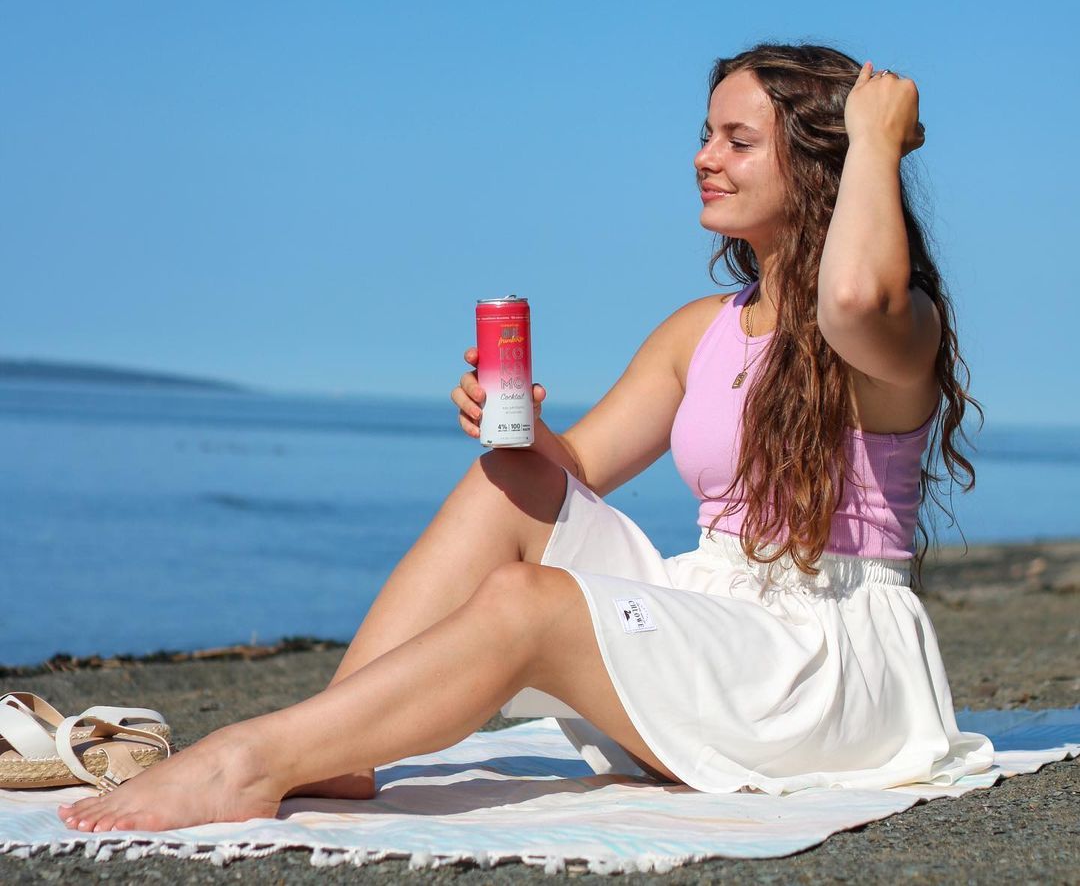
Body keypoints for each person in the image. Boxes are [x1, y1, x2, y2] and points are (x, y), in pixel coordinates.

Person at [58, 41, 995, 833]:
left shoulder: (893, 329)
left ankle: (247, 760)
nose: (704, 157)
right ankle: (335, 746)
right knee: (504, 479)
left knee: (525, 602)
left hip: (823, 665)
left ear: (822, 164)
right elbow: (577, 470)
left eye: (738, 140)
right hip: (717, 619)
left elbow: (852, 295)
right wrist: (524, 429)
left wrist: (877, 139)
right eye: (706, 133)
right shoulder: (700, 330)